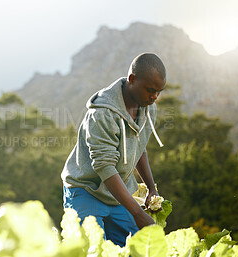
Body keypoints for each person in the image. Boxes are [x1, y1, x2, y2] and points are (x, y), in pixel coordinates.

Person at [61, 52, 166, 247]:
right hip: (86, 190)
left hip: (117, 194)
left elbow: (139, 147)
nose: (154, 97)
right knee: (90, 249)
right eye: (150, 90)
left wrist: (151, 188)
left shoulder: (148, 108)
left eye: (159, 92)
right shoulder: (102, 114)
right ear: (132, 80)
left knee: (133, 249)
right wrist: (137, 213)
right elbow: (105, 166)